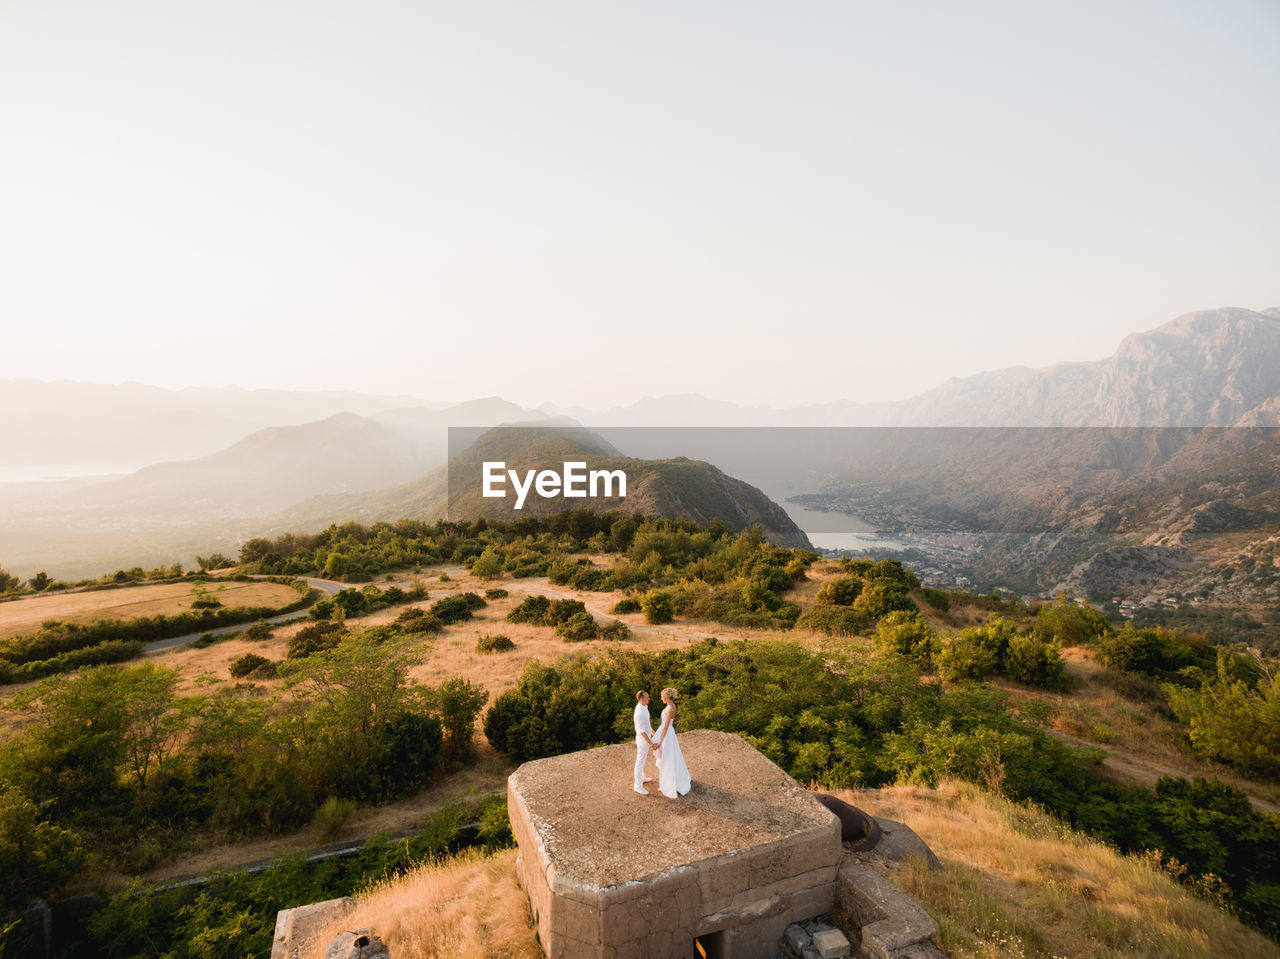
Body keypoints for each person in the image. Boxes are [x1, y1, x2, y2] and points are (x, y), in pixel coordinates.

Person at [652, 687, 691, 799]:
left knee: (668, 759)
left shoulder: (671, 709)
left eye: (662, 696)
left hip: (667, 735)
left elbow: (666, 726)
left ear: (668, 697)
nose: (661, 698)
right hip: (665, 732)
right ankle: (668, 780)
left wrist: (660, 741)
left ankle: (671, 783)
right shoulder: (669, 706)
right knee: (666, 758)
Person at [632, 690, 658, 795]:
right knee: (640, 761)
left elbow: (647, 723)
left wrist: (653, 732)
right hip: (643, 740)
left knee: (643, 760)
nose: (649, 699)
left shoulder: (645, 707)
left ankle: (642, 778)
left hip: (647, 737)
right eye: (647, 697)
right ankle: (637, 785)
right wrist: (651, 744)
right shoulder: (639, 713)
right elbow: (641, 732)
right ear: (641, 699)